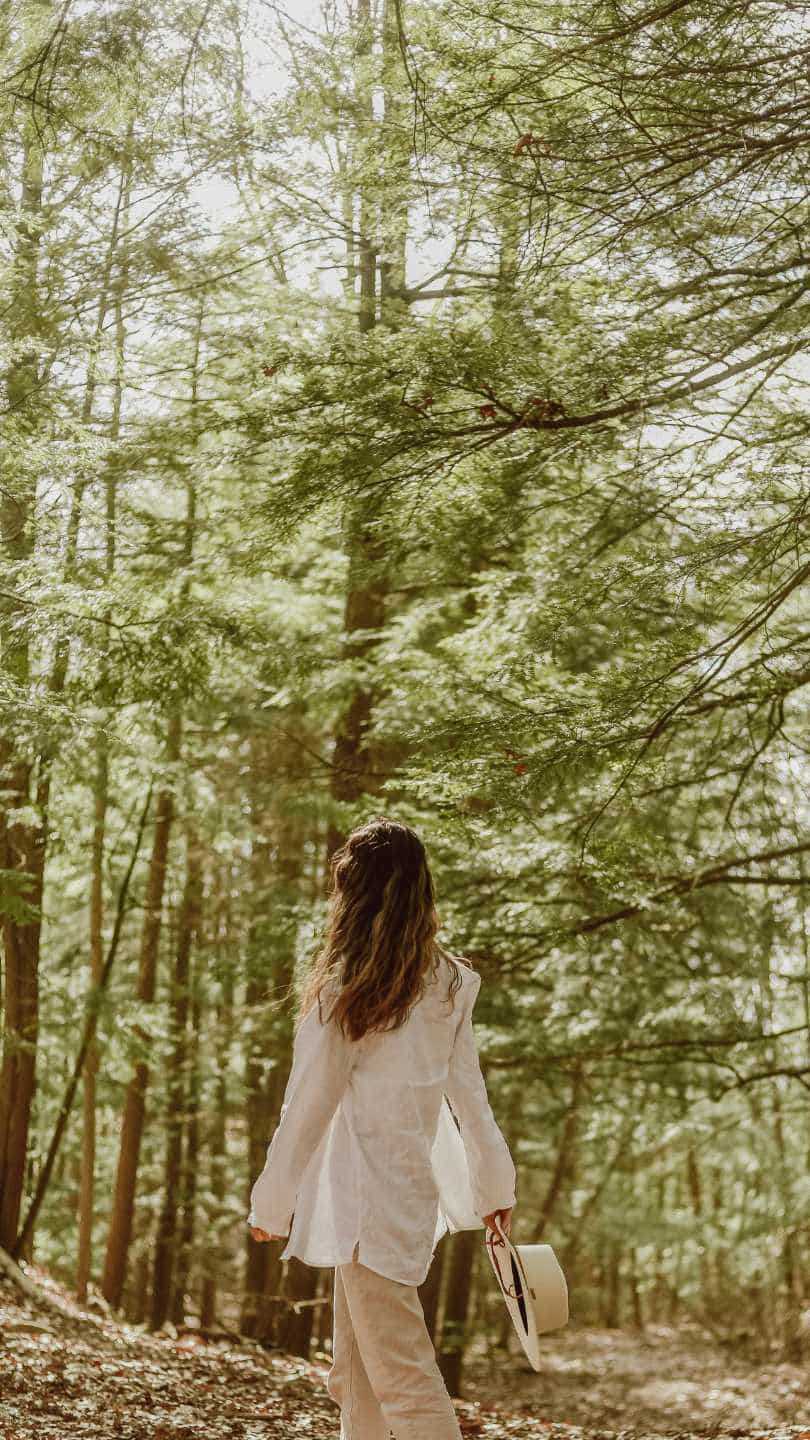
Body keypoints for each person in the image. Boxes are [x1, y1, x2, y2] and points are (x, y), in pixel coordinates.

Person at [247, 816, 516, 1440]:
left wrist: (273, 1200)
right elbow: (470, 1100)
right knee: (357, 1379)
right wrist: (494, 1188)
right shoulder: (447, 981)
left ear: (355, 895)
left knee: (404, 1380)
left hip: (365, 1207)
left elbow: (310, 1101)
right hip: (403, 1202)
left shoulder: (350, 986)